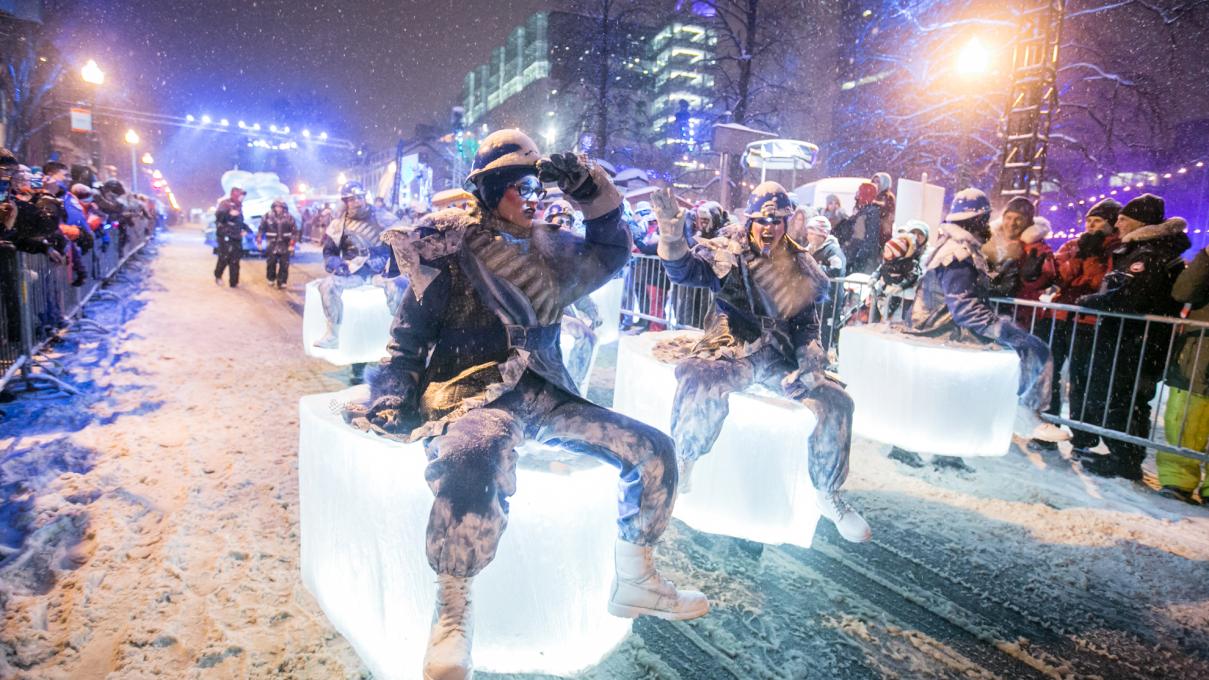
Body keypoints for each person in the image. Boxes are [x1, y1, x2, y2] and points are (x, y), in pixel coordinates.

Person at [347, 129, 707, 679]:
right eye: (520, 185)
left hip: (546, 392)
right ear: (490, 188)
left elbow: (612, 251)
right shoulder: (447, 249)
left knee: (653, 449)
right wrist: (393, 392)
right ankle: (452, 612)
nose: (534, 196)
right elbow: (407, 339)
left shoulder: (552, 250)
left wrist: (589, 189)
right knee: (474, 455)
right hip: (472, 392)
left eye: (539, 186)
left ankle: (635, 576)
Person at [654, 181, 872, 544]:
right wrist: (671, 234)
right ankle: (684, 463)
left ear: (788, 222)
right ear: (751, 220)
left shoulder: (802, 265)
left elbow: (806, 325)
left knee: (837, 401)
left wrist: (810, 357)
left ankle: (827, 492)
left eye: (777, 220)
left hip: (779, 357)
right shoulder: (730, 252)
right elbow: (684, 272)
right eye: (762, 220)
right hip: (732, 345)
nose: (769, 227)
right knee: (700, 379)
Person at [908, 188, 1070, 447]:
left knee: (960, 393)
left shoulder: (962, 248)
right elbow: (963, 306)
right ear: (975, 220)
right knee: (1031, 349)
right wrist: (1001, 329)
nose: (988, 226)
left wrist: (996, 281)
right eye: (984, 220)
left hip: (946, 327)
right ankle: (1023, 413)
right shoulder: (958, 253)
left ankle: (951, 447)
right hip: (942, 331)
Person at [1074, 194, 1189, 480]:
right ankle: (1120, 454)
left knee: (1125, 398)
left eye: (1123, 219)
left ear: (1139, 222)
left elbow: (1134, 298)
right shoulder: (1142, 250)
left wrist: (1092, 300)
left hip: (1137, 341)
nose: (1118, 224)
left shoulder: (1150, 254)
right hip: (1129, 339)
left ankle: (1125, 459)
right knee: (1121, 397)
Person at [1039, 199, 1121, 454]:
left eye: (1098, 221)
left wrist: (1089, 265)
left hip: (1089, 324)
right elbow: (1059, 276)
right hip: (1061, 317)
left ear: (1111, 225)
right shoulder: (1074, 245)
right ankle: (1047, 427)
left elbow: (1101, 284)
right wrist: (1078, 258)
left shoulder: (1116, 249)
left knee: (1081, 378)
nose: (1092, 226)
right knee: (1050, 374)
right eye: (1089, 221)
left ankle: (1083, 435)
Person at [1159, 243, 1209, 504]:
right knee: (1184, 419)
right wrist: (1206, 257)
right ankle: (1177, 479)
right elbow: (1182, 291)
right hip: (1199, 353)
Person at [313, 181, 389, 348]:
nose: (356, 202)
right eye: (351, 199)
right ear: (345, 202)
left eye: (359, 198)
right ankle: (332, 335)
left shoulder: (383, 217)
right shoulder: (338, 224)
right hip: (353, 273)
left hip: (382, 272)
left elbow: (400, 245)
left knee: (402, 288)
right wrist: (337, 264)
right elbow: (329, 252)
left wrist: (386, 262)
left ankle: (401, 338)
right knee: (327, 286)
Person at [871, 220, 929, 322]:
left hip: (911, 294)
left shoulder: (926, 255)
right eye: (913, 233)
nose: (917, 236)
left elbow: (918, 274)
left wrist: (903, 284)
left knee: (905, 318)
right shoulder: (898, 248)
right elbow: (884, 266)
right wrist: (875, 277)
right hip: (891, 290)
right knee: (886, 314)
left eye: (921, 234)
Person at [835, 182, 881, 274]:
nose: (857, 194)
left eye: (860, 192)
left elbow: (870, 237)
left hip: (861, 257)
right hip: (854, 253)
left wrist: (861, 255)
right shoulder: (862, 210)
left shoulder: (871, 212)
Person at [213, 186, 250, 287]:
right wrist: (228, 213)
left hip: (236, 237)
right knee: (224, 258)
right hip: (225, 236)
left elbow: (240, 222)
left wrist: (246, 229)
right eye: (241, 195)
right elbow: (219, 217)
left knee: (235, 260)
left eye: (243, 196)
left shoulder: (239, 206)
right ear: (235, 195)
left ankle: (234, 282)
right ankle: (218, 276)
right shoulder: (225, 203)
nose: (242, 198)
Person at [257, 198, 297, 288]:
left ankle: (282, 281)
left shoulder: (289, 217)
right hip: (272, 243)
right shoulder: (267, 216)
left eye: (280, 207)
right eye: (276, 207)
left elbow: (294, 232)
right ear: (273, 207)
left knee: (284, 263)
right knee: (271, 262)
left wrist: (291, 244)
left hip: (285, 243)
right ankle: (271, 279)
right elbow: (261, 229)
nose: (278, 209)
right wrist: (259, 242)